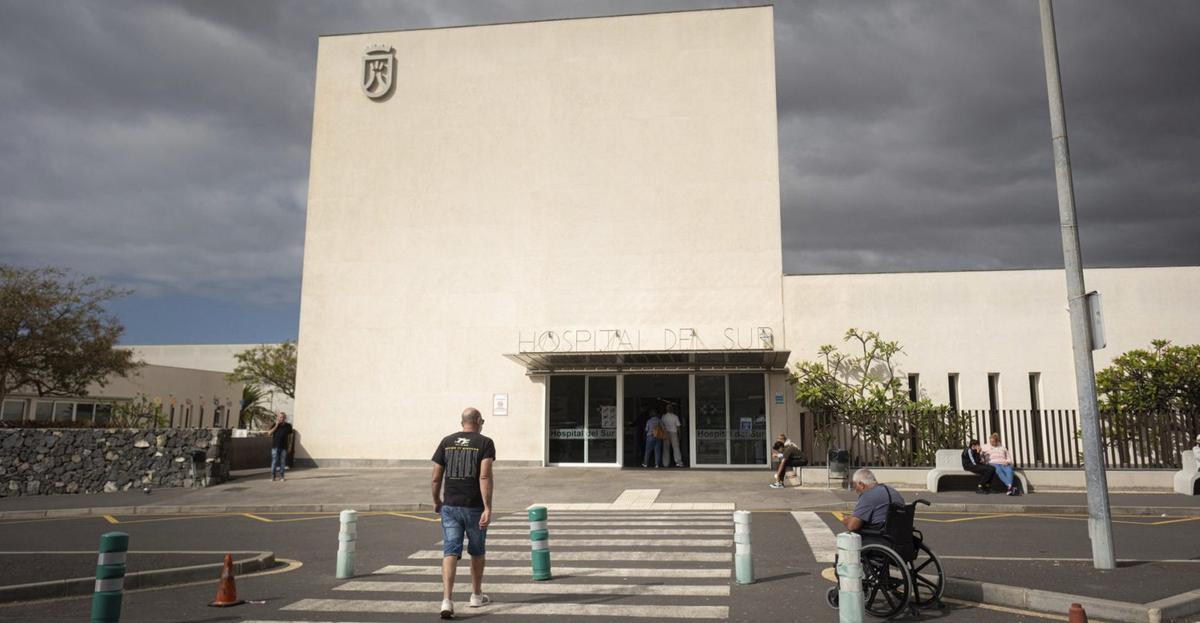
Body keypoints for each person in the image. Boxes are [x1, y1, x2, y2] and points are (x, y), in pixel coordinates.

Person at [431, 407, 496, 619]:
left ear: (463, 422)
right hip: (474, 506)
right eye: (482, 420)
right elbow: (484, 477)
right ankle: (476, 595)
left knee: (450, 551)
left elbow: (435, 477)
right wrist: (488, 507)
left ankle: (447, 600)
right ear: (478, 421)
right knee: (476, 550)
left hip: (450, 505)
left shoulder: (446, 441)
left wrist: (437, 500)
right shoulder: (485, 443)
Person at [841, 468, 904, 533]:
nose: (855, 490)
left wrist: (846, 520)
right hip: (899, 532)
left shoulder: (867, 496)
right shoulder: (892, 491)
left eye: (854, 486)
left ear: (861, 484)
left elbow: (852, 526)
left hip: (880, 535)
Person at [266, 412, 292, 482]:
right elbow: (269, 433)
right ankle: (273, 477)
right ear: (278, 418)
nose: (282, 418)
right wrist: (276, 426)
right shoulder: (274, 424)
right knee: (274, 462)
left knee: (282, 462)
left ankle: (282, 477)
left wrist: (290, 446)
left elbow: (290, 436)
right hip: (275, 447)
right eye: (280, 417)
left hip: (284, 447)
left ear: (285, 418)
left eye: (283, 417)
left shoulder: (288, 426)